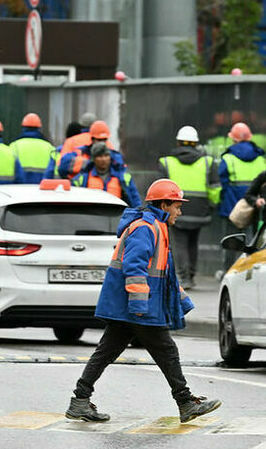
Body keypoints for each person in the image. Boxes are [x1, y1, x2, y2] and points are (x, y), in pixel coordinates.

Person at [65, 179, 221, 424]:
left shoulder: (156, 227)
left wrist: (183, 301)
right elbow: (134, 267)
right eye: (177, 206)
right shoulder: (146, 228)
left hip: (131, 306)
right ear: (165, 204)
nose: (179, 212)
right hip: (137, 306)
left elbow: (163, 274)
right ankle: (186, 402)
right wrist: (139, 305)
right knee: (166, 351)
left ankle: (80, 401)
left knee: (106, 352)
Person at [158, 126, 220, 289]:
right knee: (193, 242)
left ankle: (184, 277)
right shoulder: (207, 161)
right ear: (196, 143)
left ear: (178, 143)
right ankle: (191, 275)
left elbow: (161, 187)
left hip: (176, 207)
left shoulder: (167, 162)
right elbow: (215, 189)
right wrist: (212, 205)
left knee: (180, 243)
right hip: (200, 210)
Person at [219, 122, 266, 268]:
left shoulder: (228, 158)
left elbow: (222, 183)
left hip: (232, 207)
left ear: (234, 139)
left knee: (231, 242)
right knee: (254, 242)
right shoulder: (261, 158)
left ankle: (230, 271)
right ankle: (251, 269)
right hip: (256, 207)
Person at [72, 142, 141, 207]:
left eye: (106, 155)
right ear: (93, 159)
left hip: (117, 216)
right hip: (91, 216)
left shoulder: (123, 177)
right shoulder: (83, 178)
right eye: (99, 156)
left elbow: (135, 199)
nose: (103, 159)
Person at [55, 120, 124, 181]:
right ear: (92, 139)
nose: (102, 143)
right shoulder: (81, 152)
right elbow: (63, 166)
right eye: (99, 140)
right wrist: (91, 164)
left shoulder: (115, 156)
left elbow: (123, 174)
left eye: (104, 140)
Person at [7, 113, 56, 184]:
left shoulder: (14, 145)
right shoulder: (49, 147)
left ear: (23, 128)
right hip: (42, 190)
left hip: (19, 189)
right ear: (39, 128)